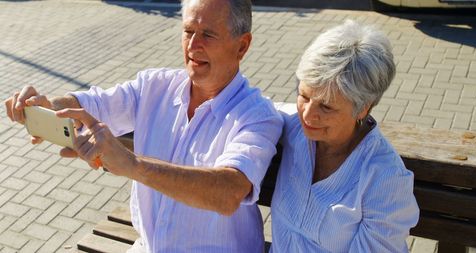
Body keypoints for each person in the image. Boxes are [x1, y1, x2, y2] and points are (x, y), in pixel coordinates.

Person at [4, 0, 283, 252]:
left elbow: (228, 192)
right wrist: (48, 107)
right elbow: (94, 104)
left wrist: (132, 164)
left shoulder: (257, 115)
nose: (192, 45)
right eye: (188, 31)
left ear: (242, 46)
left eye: (208, 34)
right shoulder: (154, 86)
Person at [270, 20, 419, 252]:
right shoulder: (293, 126)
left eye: (326, 107)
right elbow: (250, 106)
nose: (308, 115)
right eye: (304, 96)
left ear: (362, 108)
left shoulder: (385, 180)